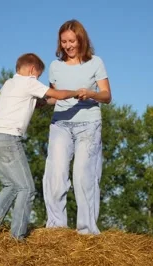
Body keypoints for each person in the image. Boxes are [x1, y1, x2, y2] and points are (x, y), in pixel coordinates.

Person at [0, 53, 83, 240]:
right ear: (32, 70)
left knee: (11, 185)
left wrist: (51, 99)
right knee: (27, 189)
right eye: (38, 76)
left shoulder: (9, 84)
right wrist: (76, 93)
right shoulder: (29, 82)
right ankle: (17, 236)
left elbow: (39, 103)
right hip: (9, 138)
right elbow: (57, 95)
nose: (38, 80)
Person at [42, 19, 112, 235]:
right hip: (61, 123)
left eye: (72, 41)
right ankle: (56, 229)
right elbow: (54, 96)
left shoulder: (95, 63)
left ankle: (87, 231)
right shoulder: (55, 66)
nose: (68, 46)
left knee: (83, 176)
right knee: (56, 174)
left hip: (88, 125)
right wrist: (38, 101)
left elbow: (107, 95)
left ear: (81, 39)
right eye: (64, 42)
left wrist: (91, 94)